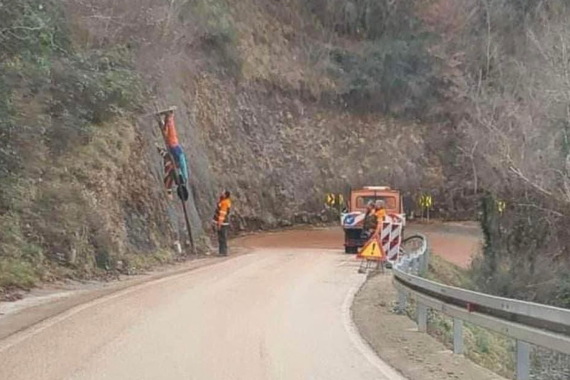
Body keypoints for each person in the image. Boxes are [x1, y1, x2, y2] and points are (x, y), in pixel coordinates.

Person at [158, 110, 189, 185]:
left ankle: (169, 118)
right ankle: (169, 118)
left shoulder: (179, 165)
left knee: (171, 135)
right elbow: (182, 167)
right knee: (171, 135)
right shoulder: (180, 164)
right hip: (176, 149)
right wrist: (184, 179)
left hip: (175, 149)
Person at [212, 190, 232, 256]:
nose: (221, 193)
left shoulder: (225, 203)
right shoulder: (223, 201)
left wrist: (219, 223)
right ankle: (222, 252)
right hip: (222, 222)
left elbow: (222, 214)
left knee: (222, 237)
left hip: (222, 223)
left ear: (225, 195)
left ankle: (223, 252)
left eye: (223, 193)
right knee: (221, 237)